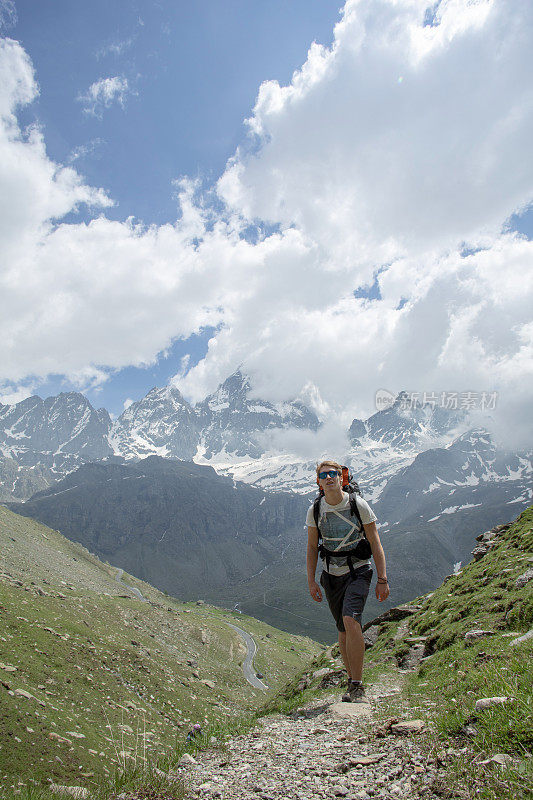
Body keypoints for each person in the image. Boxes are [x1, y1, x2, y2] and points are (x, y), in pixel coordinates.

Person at [306, 460, 389, 702]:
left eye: (333, 474)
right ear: (319, 482)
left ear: (341, 478)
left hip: (359, 571)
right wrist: (311, 581)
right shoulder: (315, 510)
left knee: (350, 620)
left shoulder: (357, 505)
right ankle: (351, 681)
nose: (329, 478)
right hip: (330, 575)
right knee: (342, 631)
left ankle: (357, 684)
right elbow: (312, 547)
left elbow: (375, 541)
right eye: (324, 475)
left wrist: (382, 579)